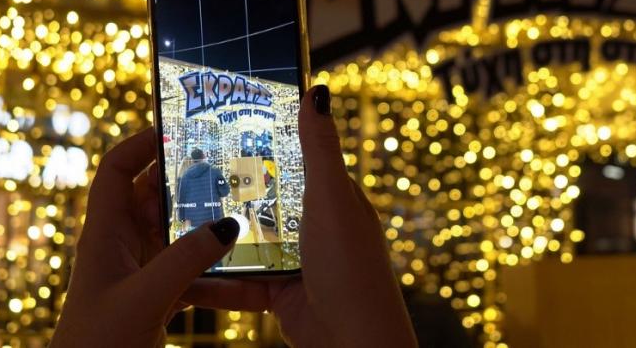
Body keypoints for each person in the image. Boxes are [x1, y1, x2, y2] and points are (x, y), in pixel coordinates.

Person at [50, 85, 417, 348]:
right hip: (215, 222)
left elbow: (186, 200)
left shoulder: (184, 175)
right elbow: (226, 193)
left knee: (198, 258)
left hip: (195, 227)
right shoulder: (218, 172)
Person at [176, 147, 230, 228]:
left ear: (192, 159)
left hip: (193, 219)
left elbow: (181, 198)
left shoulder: (185, 176)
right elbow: (224, 192)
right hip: (214, 217)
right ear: (203, 156)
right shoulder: (215, 172)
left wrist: (182, 218)